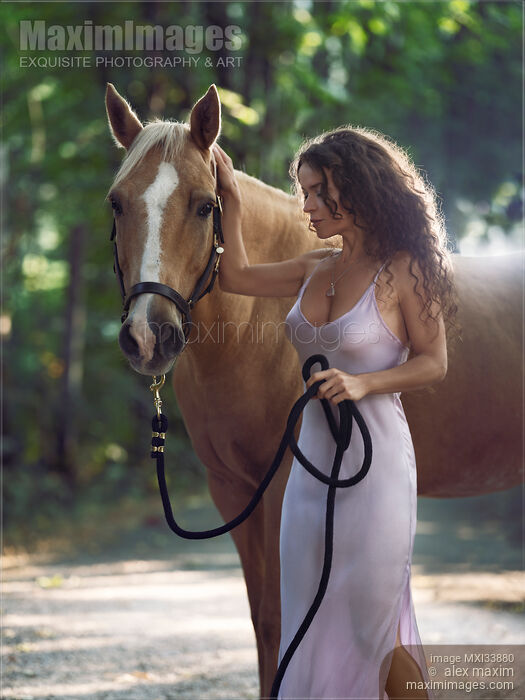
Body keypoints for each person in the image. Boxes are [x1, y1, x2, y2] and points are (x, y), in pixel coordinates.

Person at [212, 126, 458, 700]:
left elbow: (434, 362)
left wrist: (363, 382)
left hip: (377, 473)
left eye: (318, 191)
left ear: (357, 188)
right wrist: (231, 197)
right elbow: (235, 276)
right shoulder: (316, 265)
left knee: (370, 618)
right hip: (311, 471)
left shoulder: (404, 270)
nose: (307, 206)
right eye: (303, 192)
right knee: (306, 611)